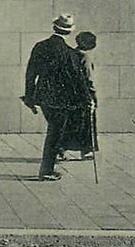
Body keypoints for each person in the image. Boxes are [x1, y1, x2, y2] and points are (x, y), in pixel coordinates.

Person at [21, 14, 89, 182]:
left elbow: (31, 73)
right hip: (61, 100)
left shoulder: (40, 46)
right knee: (55, 133)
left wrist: (30, 96)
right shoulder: (69, 53)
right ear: (69, 32)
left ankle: (52, 163)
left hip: (43, 97)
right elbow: (78, 80)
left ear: (55, 28)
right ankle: (46, 170)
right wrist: (88, 99)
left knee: (55, 130)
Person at [57, 31, 98, 162]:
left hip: (70, 94)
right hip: (83, 94)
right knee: (87, 123)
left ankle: (61, 149)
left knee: (70, 122)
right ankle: (86, 150)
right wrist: (93, 96)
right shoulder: (85, 57)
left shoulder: (71, 54)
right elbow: (89, 78)